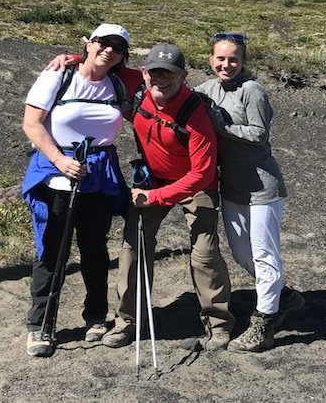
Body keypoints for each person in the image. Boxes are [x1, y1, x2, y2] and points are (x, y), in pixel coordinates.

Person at [100, 42, 236, 351]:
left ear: (184, 76)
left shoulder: (195, 113)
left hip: (195, 186)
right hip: (154, 180)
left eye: (170, 75)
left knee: (204, 253)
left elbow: (202, 174)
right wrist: (69, 58)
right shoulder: (136, 86)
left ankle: (218, 323)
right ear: (145, 73)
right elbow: (103, 63)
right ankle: (128, 322)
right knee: (133, 248)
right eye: (156, 73)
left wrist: (158, 196)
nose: (162, 80)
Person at [20, 23, 135, 358]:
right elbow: (31, 123)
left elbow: (157, 87)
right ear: (89, 44)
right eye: (103, 43)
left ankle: (96, 317)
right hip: (58, 175)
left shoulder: (118, 83)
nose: (109, 50)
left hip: (99, 175)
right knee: (52, 251)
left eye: (118, 47)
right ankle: (40, 325)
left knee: (95, 250)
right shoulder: (58, 76)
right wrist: (59, 160)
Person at [195, 33, 304, 353]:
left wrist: (217, 123)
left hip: (262, 187)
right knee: (243, 254)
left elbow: (258, 134)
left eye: (233, 59)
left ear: (243, 61)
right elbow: (179, 93)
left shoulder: (252, 90)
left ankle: (264, 324)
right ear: (211, 59)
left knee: (264, 255)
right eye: (220, 58)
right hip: (231, 187)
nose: (226, 64)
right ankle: (284, 297)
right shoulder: (207, 88)